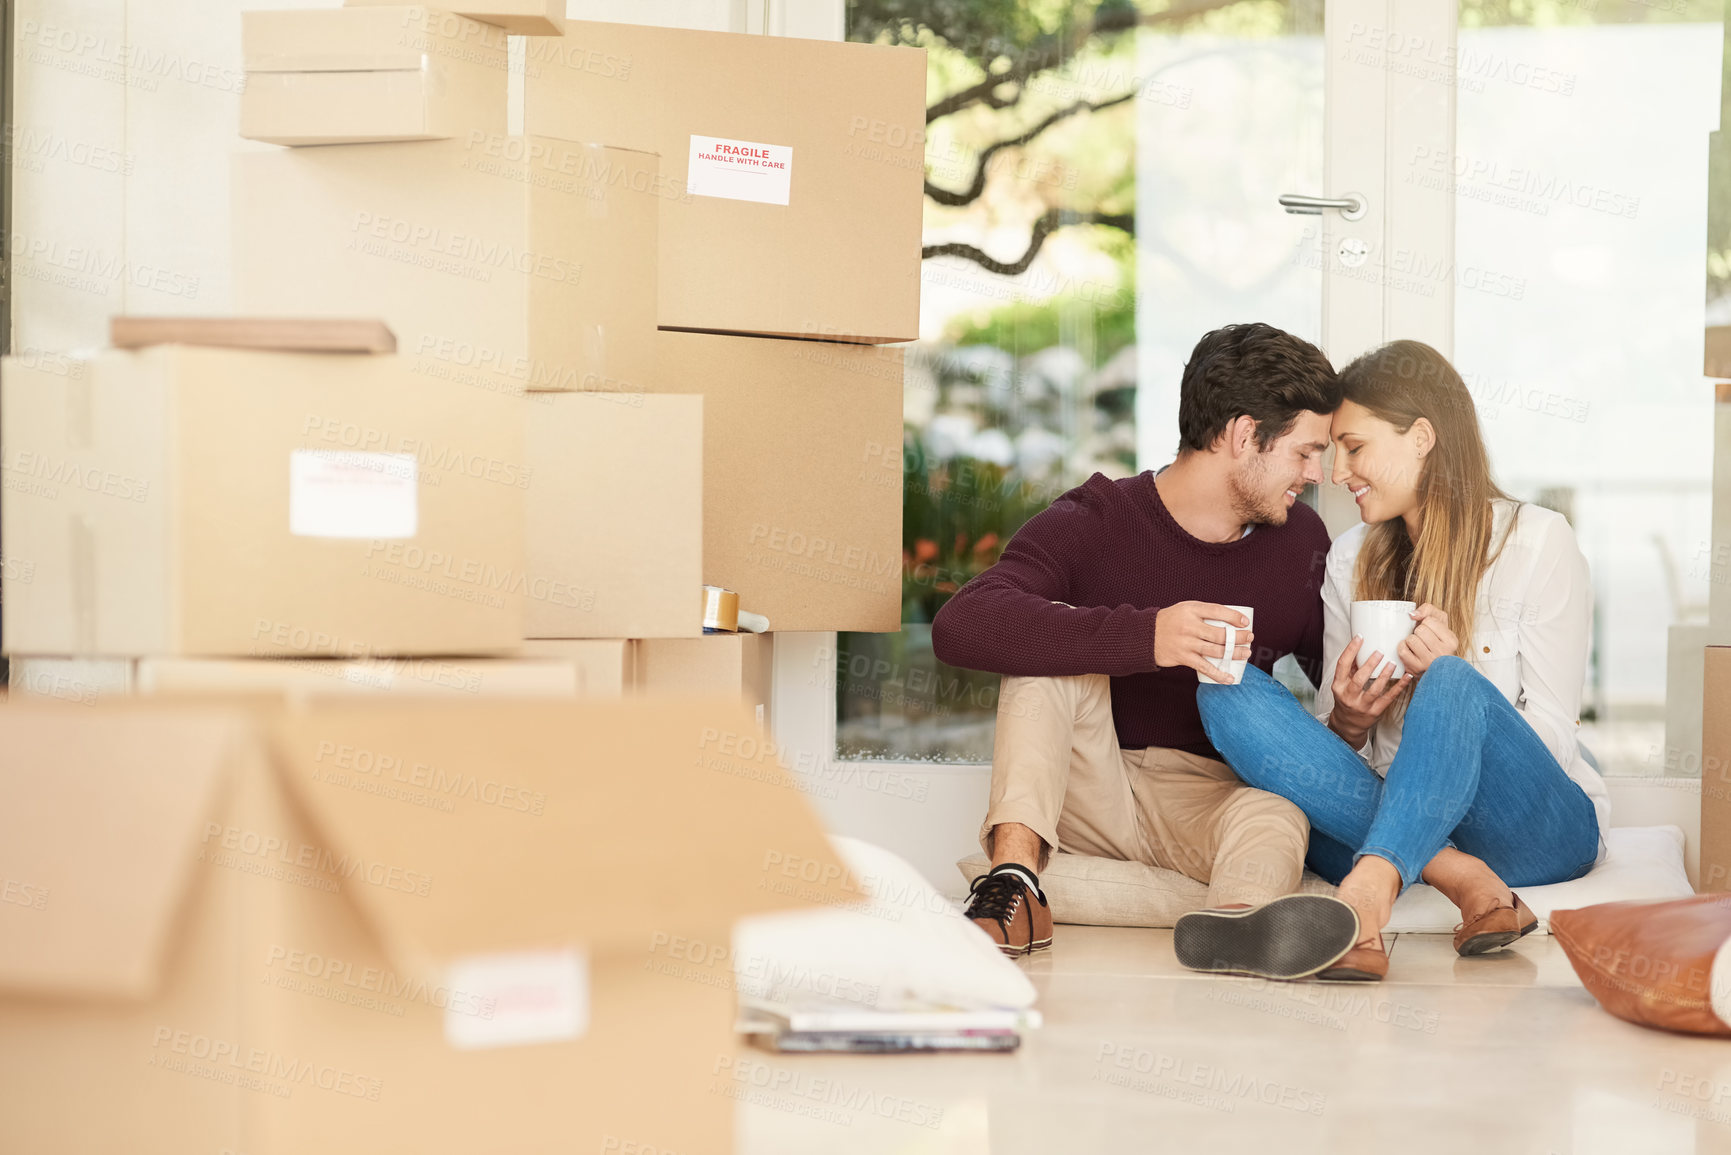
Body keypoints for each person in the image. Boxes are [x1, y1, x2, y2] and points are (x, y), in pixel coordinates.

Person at [932, 322, 1361, 980]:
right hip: (1087, 782)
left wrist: (1357, 702)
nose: (1316, 473)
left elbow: (1325, 682)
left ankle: (1236, 921)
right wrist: (1145, 635)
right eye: (1305, 451)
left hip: (1204, 796)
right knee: (1045, 660)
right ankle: (1014, 882)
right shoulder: (1097, 518)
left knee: (1275, 810)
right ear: (1243, 435)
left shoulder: (1298, 539)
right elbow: (962, 623)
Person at [1196, 339, 1608, 982]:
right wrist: (1351, 722)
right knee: (1225, 689)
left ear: (1421, 436)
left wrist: (1463, 675)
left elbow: (1555, 738)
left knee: (1449, 677)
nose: (1337, 474)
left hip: (1534, 832)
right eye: (1332, 453)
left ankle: (1367, 896)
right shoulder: (1349, 556)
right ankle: (1463, 879)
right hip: (1397, 817)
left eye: (1354, 448)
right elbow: (1342, 765)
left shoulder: (1536, 542)